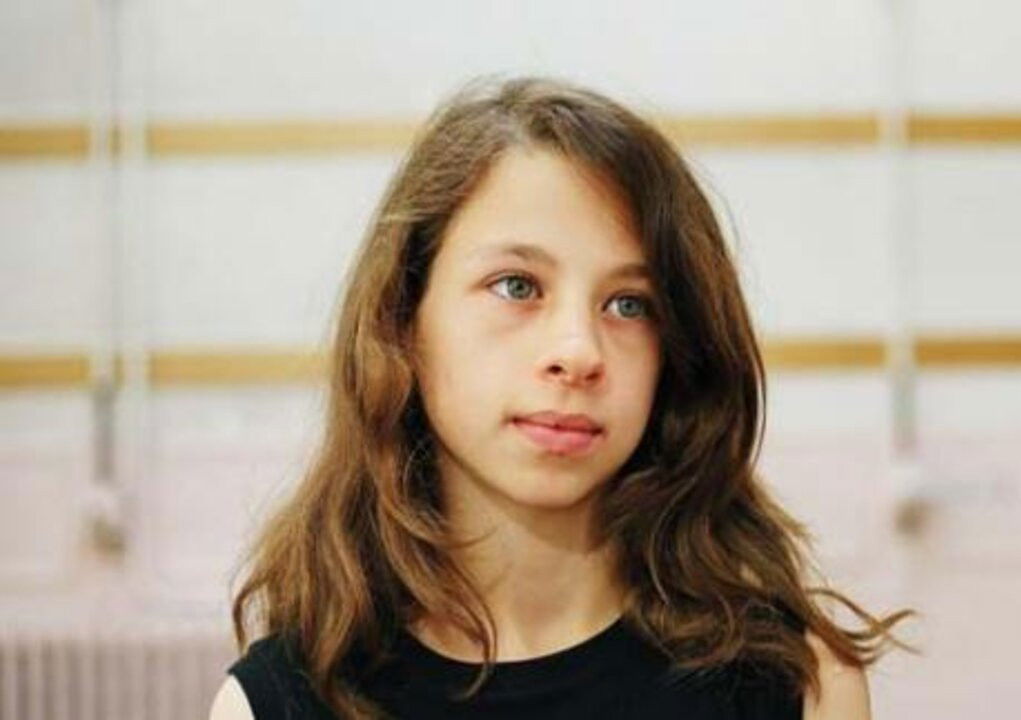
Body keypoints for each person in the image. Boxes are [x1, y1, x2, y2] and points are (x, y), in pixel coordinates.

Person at [208, 76, 914, 720]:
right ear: (404, 318)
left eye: (629, 304)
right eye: (517, 286)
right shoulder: (277, 705)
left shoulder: (801, 685)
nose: (579, 352)